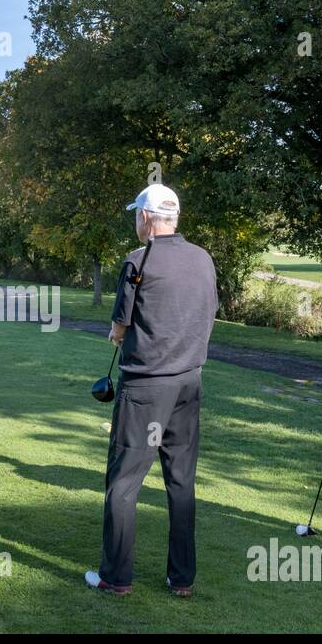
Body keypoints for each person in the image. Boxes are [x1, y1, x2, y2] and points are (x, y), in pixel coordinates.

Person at [85, 184, 219, 597]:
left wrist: (117, 332)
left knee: (124, 482)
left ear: (146, 217)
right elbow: (209, 311)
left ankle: (116, 577)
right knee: (181, 481)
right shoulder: (202, 258)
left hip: (145, 386)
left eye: (136, 216)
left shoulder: (137, 259)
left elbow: (119, 325)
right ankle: (182, 579)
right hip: (189, 383)